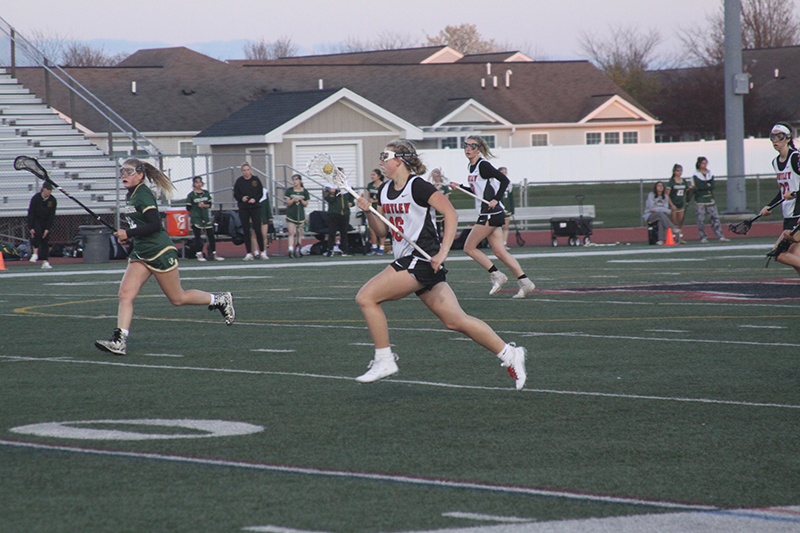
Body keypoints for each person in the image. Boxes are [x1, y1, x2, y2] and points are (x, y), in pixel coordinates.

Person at [353, 140, 528, 389]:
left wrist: (443, 252)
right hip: (409, 259)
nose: (381, 160)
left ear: (400, 159)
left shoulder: (419, 186)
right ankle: (510, 354)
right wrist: (369, 211)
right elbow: (382, 233)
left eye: (385, 155)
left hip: (421, 259)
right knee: (456, 320)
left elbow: (451, 213)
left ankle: (384, 359)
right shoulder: (384, 190)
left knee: (366, 298)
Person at [94, 159, 234, 356]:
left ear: (140, 175)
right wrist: (130, 238)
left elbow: (155, 225)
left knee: (178, 298)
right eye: (122, 171)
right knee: (125, 294)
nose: (124, 174)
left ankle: (219, 299)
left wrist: (129, 234)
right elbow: (140, 226)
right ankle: (119, 341)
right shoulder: (131, 194)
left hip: (159, 251)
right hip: (142, 253)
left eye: (129, 171)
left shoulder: (143, 194)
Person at [452, 135, 535, 299]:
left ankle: (497, 275)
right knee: (500, 252)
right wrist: (460, 186)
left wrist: (496, 198)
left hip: (491, 213)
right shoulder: (471, 166)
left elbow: (504, 180)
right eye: (466, 145)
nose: (468, 149)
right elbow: (478, 191)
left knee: (469, 247)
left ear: (479, 149)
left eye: (472, 146)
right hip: (490, 213)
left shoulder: (483, 165)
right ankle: (525, 282)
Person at [759, 123, 800, 275]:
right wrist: (769, 206)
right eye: (772, 137)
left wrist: (795, 194)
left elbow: (793, 192)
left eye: (779, 136)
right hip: (789, 215)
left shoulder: (796, 158)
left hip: (798, 215)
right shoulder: (776, 162)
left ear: (788, 138)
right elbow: (783, 191)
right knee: (795, 257)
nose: (775, 140)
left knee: (779, 253)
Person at [233, 163, 267, 260]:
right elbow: (236, 194)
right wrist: (242, 198)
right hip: (244, 208)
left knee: (257, 229)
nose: (246, 172)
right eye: (244, 170)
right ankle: (248, 252)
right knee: (246, 230)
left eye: (248, 170)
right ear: (242, 171)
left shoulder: (255, 180)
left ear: (251, 170)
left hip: (255, 207)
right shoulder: (239, 181)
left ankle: (262, 252)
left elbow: (260, 192)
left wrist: (254, 199)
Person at [692, 157, 729, 243]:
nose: (704, 165)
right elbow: (699, 187)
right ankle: (702, 236)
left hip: (710, 199)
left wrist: (706, 186)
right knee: (700, 219)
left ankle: (720, 235)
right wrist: (706, 186)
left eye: (705, 163)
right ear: (699, 164)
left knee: (715, 218)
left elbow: (712, 186)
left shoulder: (709, 174)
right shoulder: (696, 175)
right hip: (700, 200)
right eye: (702, 163)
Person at [186, 176, 223, 261]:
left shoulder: (206, 193)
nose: (198, 184)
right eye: (196, 182)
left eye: (200, 182)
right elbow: (188, 208)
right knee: (198, 236)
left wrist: (203, 205)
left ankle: (213, 253)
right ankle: (199, 253)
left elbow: (209, 205)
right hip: (196, 217)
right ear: (194, 184)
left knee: (211, 235)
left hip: (205, 217)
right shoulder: (191, 195)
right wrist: (196, 207)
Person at [27, 182, 57, 269]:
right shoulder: (36, 198)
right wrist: (31, 227)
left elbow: (52, 215)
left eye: (51, 190)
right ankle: (35, 253)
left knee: (45, 240)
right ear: (44, 189)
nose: (49, 192)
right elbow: (31, 212)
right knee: (37, 233)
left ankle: (45, 261)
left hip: (46, 221)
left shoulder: (52, 200)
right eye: (48, 190)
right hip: (36, 219)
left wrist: (48, 228)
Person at [323, 176, 355, 257]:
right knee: (332, 232)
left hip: (345, 213)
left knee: (344, 232)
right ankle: (330, 250)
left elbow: (352, 196)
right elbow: (328, 199)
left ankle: (345, 250)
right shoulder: (329, 186)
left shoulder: (347, 185)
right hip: (333, 213)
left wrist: (351, 203)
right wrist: (333, 193)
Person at [643, 181, 679, 245]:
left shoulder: (665, 197)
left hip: (660, 215)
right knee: (660, 214)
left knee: (660, 220)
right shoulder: (651, 195)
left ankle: (661, 240)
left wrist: (660, 209)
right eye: (658, 186)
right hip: (650, 215)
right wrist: (662, 209)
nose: (660, 187)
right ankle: (672, 228)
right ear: (655, 187)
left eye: (661, 186)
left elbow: (666, 208)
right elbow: (652, 208)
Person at [284, 174, 309, 258]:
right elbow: (288, 203)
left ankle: (298, 248)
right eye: (293, 179)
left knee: (299, 232)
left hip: (300, 214)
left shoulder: (304, 191)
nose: (294, 181)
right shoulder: (289, 191)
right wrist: (293, 200)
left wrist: (301, 200)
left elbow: (306, 204)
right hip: (291, 214)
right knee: (291, 232)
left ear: (300, 181)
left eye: (296, 179)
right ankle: (290, 249)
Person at [664, 164, 689, 244]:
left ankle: (680, 238)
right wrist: (671, 205)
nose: (679, 172)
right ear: (674, 172)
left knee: (680, 222)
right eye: (678, 171)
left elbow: (685, 191)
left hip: (681, 204)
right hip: (674, 204)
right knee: (673, 222)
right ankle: (672, 237)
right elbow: (667, 194)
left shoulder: (683, 181)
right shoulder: (671, 182)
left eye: (681, 171)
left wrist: (689, 190)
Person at [365, 168, 386, 255]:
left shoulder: (383, 185)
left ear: (379, 176)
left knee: (381, 228)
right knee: (371, 229)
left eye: (374, 175)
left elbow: (383, 199)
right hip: (372, 209)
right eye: (371, 175)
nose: (372, 176)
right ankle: (374, 247)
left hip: (380, 209)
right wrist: (370, 201)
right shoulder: (370, 185)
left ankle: (382, 248)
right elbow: (369, 197)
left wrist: (376, 201)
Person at [428, 167, 451, 238]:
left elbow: (446, 198)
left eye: (437, 176)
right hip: (434, 210)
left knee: (445, 228)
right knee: (436, 228)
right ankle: (438, 241)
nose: (436, 178)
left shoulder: (444, 187)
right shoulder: (431, 186)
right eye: (434, 176)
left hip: (442, 209)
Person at [254, 186, 273, 258]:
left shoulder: (264, 192)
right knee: (254, 235)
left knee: (264, 235)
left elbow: (267, 205)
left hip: (263, 216)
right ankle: (256, 252)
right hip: (255, 216)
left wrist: (270, 217)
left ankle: (264, 251)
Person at [498, 166, 514, 250]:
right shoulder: (496, 183)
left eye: (505, 172)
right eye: (502, 172)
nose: (504, 174)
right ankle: (498, 244)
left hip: (507, 209)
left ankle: (504, 243)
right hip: (499, 209)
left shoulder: (508, 183)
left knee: (506, 227)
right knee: (499, 227)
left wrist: (512, 210)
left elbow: (511, 197)